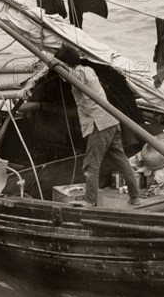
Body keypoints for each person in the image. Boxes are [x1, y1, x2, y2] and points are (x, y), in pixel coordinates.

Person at [54, 45, 141, 207]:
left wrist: (55, 65)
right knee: (122, 161)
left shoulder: (79, 74)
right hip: (112, 122)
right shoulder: (89, 71)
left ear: (66, 65)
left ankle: (90, 200)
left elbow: (71, 75)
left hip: (98, 124)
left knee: (91, 165)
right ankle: (135, 197)